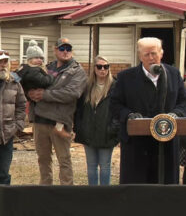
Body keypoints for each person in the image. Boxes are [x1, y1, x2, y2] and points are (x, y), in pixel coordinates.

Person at [110, 37, 186, 184]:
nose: (151, 58)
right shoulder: (126, 77)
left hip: (166, 142)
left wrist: (175, 115)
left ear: (162, 53)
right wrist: (129, 115)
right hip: (137, 145)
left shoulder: (172, 74)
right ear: (140, 56)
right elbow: (115, 104)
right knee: (137, 189)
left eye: (154, 53)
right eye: (146, 54)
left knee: (165, 188)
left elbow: (184, 103)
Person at [28, 38, 87, 185]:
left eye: (68, 48)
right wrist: (30, 93)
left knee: (64, 160)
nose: (65, 51)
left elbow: (72, 93)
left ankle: (66, 193)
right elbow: (31, 84)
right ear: (55, 50)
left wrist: (45, 94)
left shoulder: (77, 71)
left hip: (59, 123)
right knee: (43, 159)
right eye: (62, 48)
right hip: (40, 120)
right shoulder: (46, 68)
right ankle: (45, 190)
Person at [74, 55, 119, 185]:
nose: (102, 69)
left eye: (106, 66)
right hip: (88, 132)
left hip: (106, 133)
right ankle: (92, 193)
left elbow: (118, 110)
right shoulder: (87, 86)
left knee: (105, 166)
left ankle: (105, 195)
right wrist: (79, 128)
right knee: (91, 166)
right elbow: (79, 110)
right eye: (99, 66)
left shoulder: (115, 87)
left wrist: (113, 128)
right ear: (94, 68)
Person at [15, 40, 70, 138]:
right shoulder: (34, 70)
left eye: (41, 58)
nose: (39, 60)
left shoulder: (22, 68)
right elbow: (44, 82)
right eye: (36, 58)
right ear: (29, 59)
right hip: (38, 100)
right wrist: (52, 76)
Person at [0, 49, 26, 184]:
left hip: (6, 135)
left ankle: (3, 203)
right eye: (0, 62)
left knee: (3, 173)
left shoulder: (15, 82)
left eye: (5, 62)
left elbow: (22, 105)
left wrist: (18, 126)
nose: (3, 65)